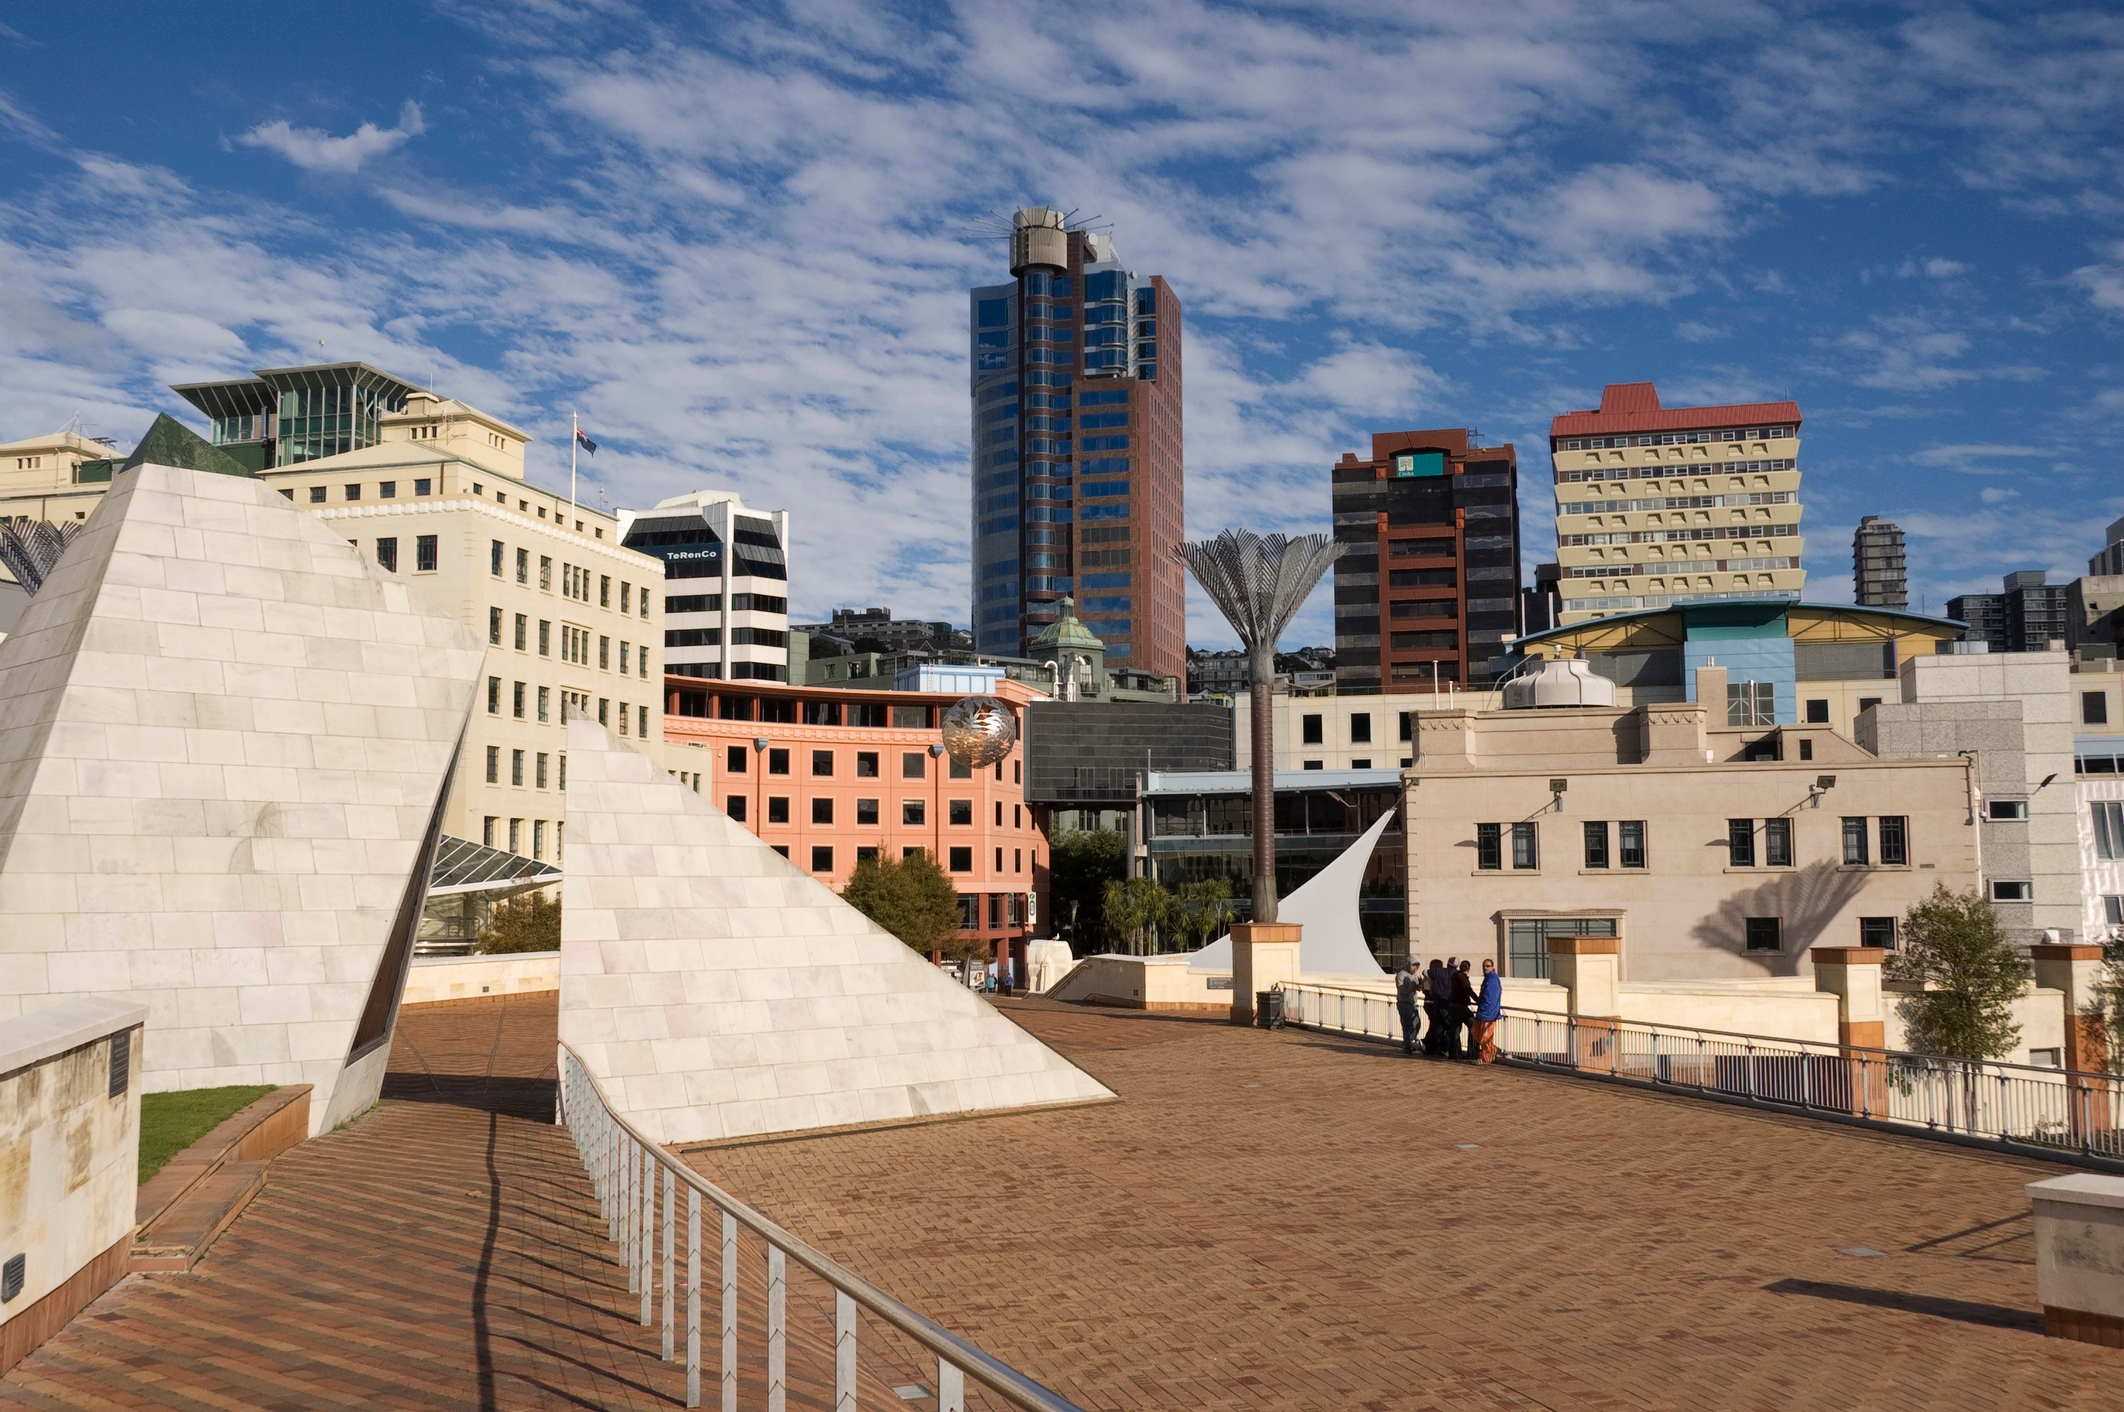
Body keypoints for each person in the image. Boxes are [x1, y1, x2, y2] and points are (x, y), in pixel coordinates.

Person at [1471, 957, 1503, 1063]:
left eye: (1488, 966)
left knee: (1485, 1036)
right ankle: (1492, 1049)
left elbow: (1491, 997)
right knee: (1475, 1032)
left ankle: (1486, 1057)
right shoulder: (1488, 978)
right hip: (1483, 1012)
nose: (1485, 968)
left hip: (1489, 1013)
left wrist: (1485, 1007)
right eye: (1484, 966)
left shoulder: (1493, 979)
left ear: (1492, 967)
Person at [1447, 959, 1477, 1061]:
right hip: (1461, 1007)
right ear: (1468, 969)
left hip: (1452, 1006)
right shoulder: (1463, 978)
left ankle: (1454, 1054)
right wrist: (1479, 1000)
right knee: (1474, 1027)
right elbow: (1469, 991)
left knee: (1454, 1030)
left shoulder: (1454, 976)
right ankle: (1472, 1052)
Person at [1421, 958, 1450, 1056]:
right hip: (1433, 1003)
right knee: (1436, 1025)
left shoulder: (1427, 977)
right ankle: (1428, 1043)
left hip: (1427, 1002)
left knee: (1434, 1024)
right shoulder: (1434, 978)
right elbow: (1431, 991)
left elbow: (1424, 989)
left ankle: (1431, 1045)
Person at [1395, 957, 1422, 1054]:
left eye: (1416, 966)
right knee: (1407, 1024)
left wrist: (1420, 985)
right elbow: (1401, 990)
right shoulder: (1401, 975)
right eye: (1413, 966)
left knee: (1416, 1023)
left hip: (1412, 1002)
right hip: (1404, 1002)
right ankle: (1407, 1045)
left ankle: (1409, 1041)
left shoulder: (1415, 975)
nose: (1415, 968)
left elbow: (1418, 988)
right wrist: (1413, 988)